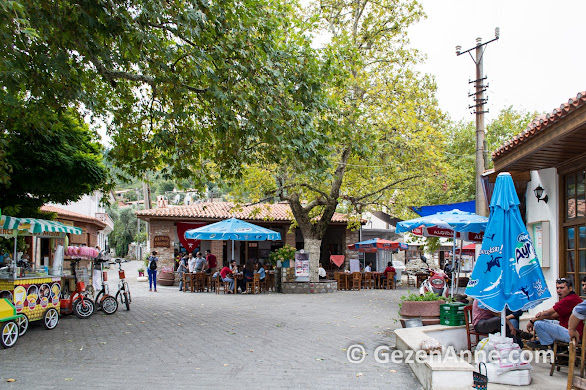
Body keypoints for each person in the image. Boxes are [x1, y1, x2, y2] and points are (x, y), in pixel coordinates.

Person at [526, 277, 584, 349]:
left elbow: (548, 313)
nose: (558, 291)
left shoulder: (569, 299)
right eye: (557, 288)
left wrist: (532, 320)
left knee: (538, 324)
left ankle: (548, 346)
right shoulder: (571, 297)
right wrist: (540, 317)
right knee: (543, 321)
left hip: (574, 334)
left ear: (570, 288)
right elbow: (553, 316)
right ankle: (547, 343)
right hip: (567, 328)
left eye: (562, 288)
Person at [566, 277, 586, 341]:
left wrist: (572, 330)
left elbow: (577, 310)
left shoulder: (571, 298)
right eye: (583, 285)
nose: (584, 287)